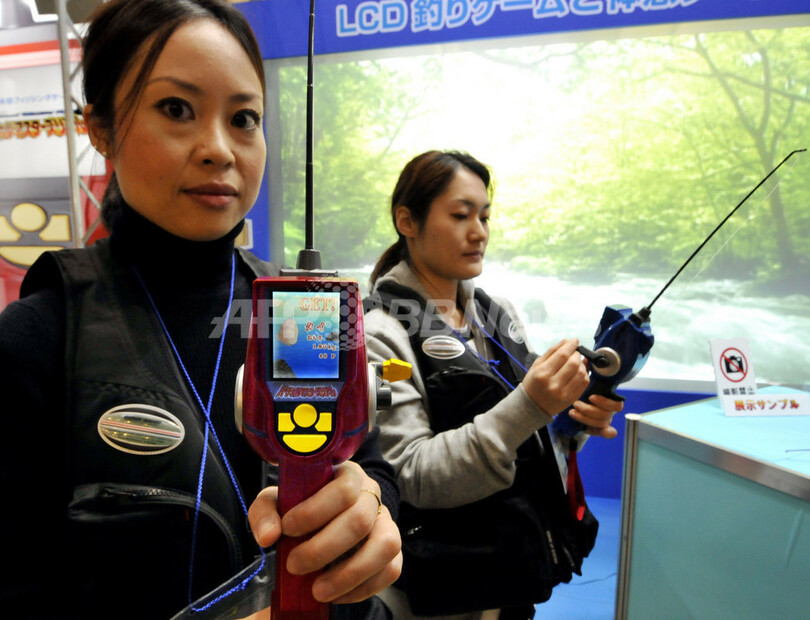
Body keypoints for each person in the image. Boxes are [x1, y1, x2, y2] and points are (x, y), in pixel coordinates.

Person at [0, 1, 401, 618]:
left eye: (244, 118)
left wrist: (372, 512)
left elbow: (369, 464)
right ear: (100, 128)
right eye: (176, 109)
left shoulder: (303, 312)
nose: (219, 149)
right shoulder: (38, 338)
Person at [363, 150, 624, 620]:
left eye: (484, 216)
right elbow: (409, 475)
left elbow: (531, 437)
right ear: (407, 221)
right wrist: (532, 405)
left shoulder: (497, 314)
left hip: (514, 571)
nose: (479, 231)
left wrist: (571, 419)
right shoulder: (381, 335)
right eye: (460, 215)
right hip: (438, 591)